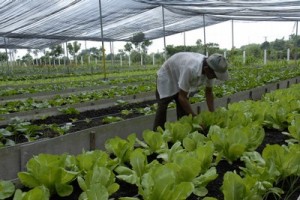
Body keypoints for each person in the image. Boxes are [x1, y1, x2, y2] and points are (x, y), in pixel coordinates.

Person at [153, 52, 229, 131]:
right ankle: (157, 132)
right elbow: (182, 97)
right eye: (214, 75)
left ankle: (182, 131)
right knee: (163, 105)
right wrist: (195, 117)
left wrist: (212, 112)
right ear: (207, 69)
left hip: (180, 73)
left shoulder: (211, 69)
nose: (215, 78)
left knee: (183, 109)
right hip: (168, 75)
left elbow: (209, 92)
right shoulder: (190, 68)